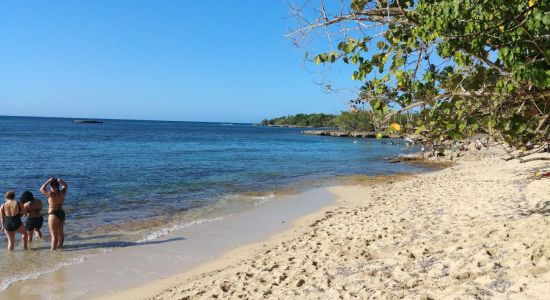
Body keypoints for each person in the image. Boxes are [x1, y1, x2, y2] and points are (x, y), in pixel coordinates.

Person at [40, 177, 68, 251]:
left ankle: (53, 252)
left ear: (51, 186)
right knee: (61, 232)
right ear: (58, 186)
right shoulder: (62, 192)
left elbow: (41, 189)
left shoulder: (51, 194)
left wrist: (48, 180)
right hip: (61, 212)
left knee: (54, 236)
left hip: (53, 214)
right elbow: (66, 185)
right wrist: (61, 181)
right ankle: (60, 247)